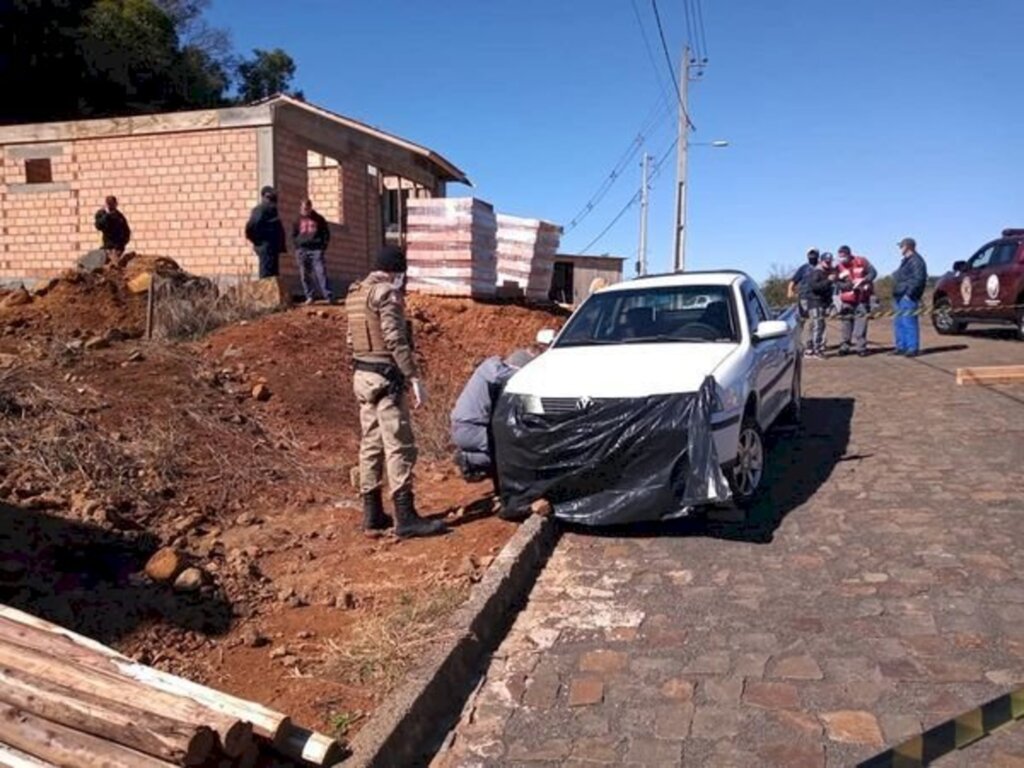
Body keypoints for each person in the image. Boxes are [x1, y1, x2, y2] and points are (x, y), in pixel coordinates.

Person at [347, 245, 446, 539]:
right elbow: (395, 339)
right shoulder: (387, 293)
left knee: (371, 442)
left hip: (363, 375)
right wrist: (413, 376)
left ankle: (372, 514)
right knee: (399, 443)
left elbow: (351, 340)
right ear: (395, 271)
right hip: (386, 377)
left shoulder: (355, 294)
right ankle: (405, 517)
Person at [451, 348, 537, 502]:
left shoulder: (496, 376)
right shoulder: (491, 368)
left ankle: (500, 489)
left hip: (470, 427)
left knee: (509, 449)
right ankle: (469, 460)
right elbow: (507, 378)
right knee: (511, 453)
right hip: (470, 428)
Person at [835, 245, 877, 356]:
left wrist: (864, 280)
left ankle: (861, 348)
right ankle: (845, 346)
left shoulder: (861, 261)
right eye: (840, 256)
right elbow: (837, 283)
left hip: (862, 298)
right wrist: (847, 285)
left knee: (861, 323)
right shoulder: (838, 267)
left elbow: (873, 273)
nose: (841, 258)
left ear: (849, 254)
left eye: (843, 256)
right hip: (847, 299)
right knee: (846, 324)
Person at [891, 236, 928, 357]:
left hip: (907, 296)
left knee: (909, 322)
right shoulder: (905, 261)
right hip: (899, 294)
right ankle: (901, 346)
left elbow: (919, 279)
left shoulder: (916, 261)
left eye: (901, 246)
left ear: (908, 246)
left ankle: (912, 347)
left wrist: (910, 294)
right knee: (899, 323)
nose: (900, 248)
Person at [291, 198, 333, 304]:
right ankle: (309, 296)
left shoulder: (319, 219)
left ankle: (328, 296)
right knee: (304, 274)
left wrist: (322, 247)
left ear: (310, 207)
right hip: (302, 250)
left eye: (307, 208)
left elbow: (326, 234)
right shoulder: (297, 220)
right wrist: (297, 246)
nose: (305, 210)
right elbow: (293, 234)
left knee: (321, 272)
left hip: (316, 250)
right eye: (303, 208)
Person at [245, 186, 286, 279]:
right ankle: (265, 293)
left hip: (272, 247)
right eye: (269, 198)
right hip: (265, 246)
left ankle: (271, 293)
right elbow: (251, 226)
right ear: (264, 197)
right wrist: (258, 241)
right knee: (266, 275)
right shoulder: (260, 210)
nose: (272, 202)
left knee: (273, 276)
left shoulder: (272, 210)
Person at [803, 255, 836, 358]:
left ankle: (811, 348)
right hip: (815, 302)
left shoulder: (826, 272)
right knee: (818, 325)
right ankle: (816, 349)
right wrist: (829, 281)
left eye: (830, 262)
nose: (828, 263)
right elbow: (815, 287)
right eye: (826, 262)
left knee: (816, 325)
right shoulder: (817, 272)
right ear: (821, 262)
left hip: (821, 303)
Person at [788, 249, 819, 347]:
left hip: (816, 299)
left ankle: (813, 343)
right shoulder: (804, 268)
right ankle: (797, 342)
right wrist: (790, 291)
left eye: (814, 254)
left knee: (815, 322)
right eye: (810, 254)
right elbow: (793, 281)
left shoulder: (821, 267)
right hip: (803, 297)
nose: (812, 256)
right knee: (801, 321)